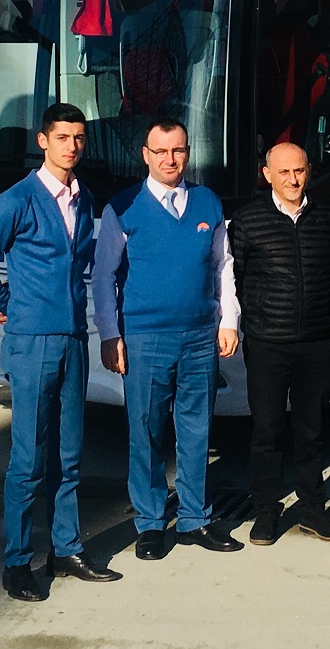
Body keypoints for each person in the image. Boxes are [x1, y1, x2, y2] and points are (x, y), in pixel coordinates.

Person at [0, 103, 119, 602]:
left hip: (73, 340)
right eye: (63, 137)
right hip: (32, 344)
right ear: (42, 141)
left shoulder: (83, 196)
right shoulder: (17, 200)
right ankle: (16, 562)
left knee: (70, 454)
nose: (72, 146)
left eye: (79, 138)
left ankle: (67, 548)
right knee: (29, 459)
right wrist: (12, 305)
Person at [94, 118, 245, 560]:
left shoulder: (208, 203)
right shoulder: (122, 208)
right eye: (160, 152)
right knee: (146, 430)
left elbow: (223, 267)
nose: (169, 160)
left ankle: (196, 518)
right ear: (145, 154)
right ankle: (151, 523)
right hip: (145, 337)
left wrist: (228, 320)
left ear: (187, 152)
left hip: (200, 335)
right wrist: (110, 334)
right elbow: (103, 275)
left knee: (197, 428)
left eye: (177, 150)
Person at [228, 141, 330, 546]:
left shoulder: (328, 218)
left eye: (299, 171)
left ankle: (313, 507)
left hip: (316, 341)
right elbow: (234, 279)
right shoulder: (246, 222)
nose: (293, 180)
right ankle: (266, 509)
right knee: (267, 430)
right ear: (267, 175)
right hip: (267, 344)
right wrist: (261, 314)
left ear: (308, 171)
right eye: (283, 173)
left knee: (312, 429)